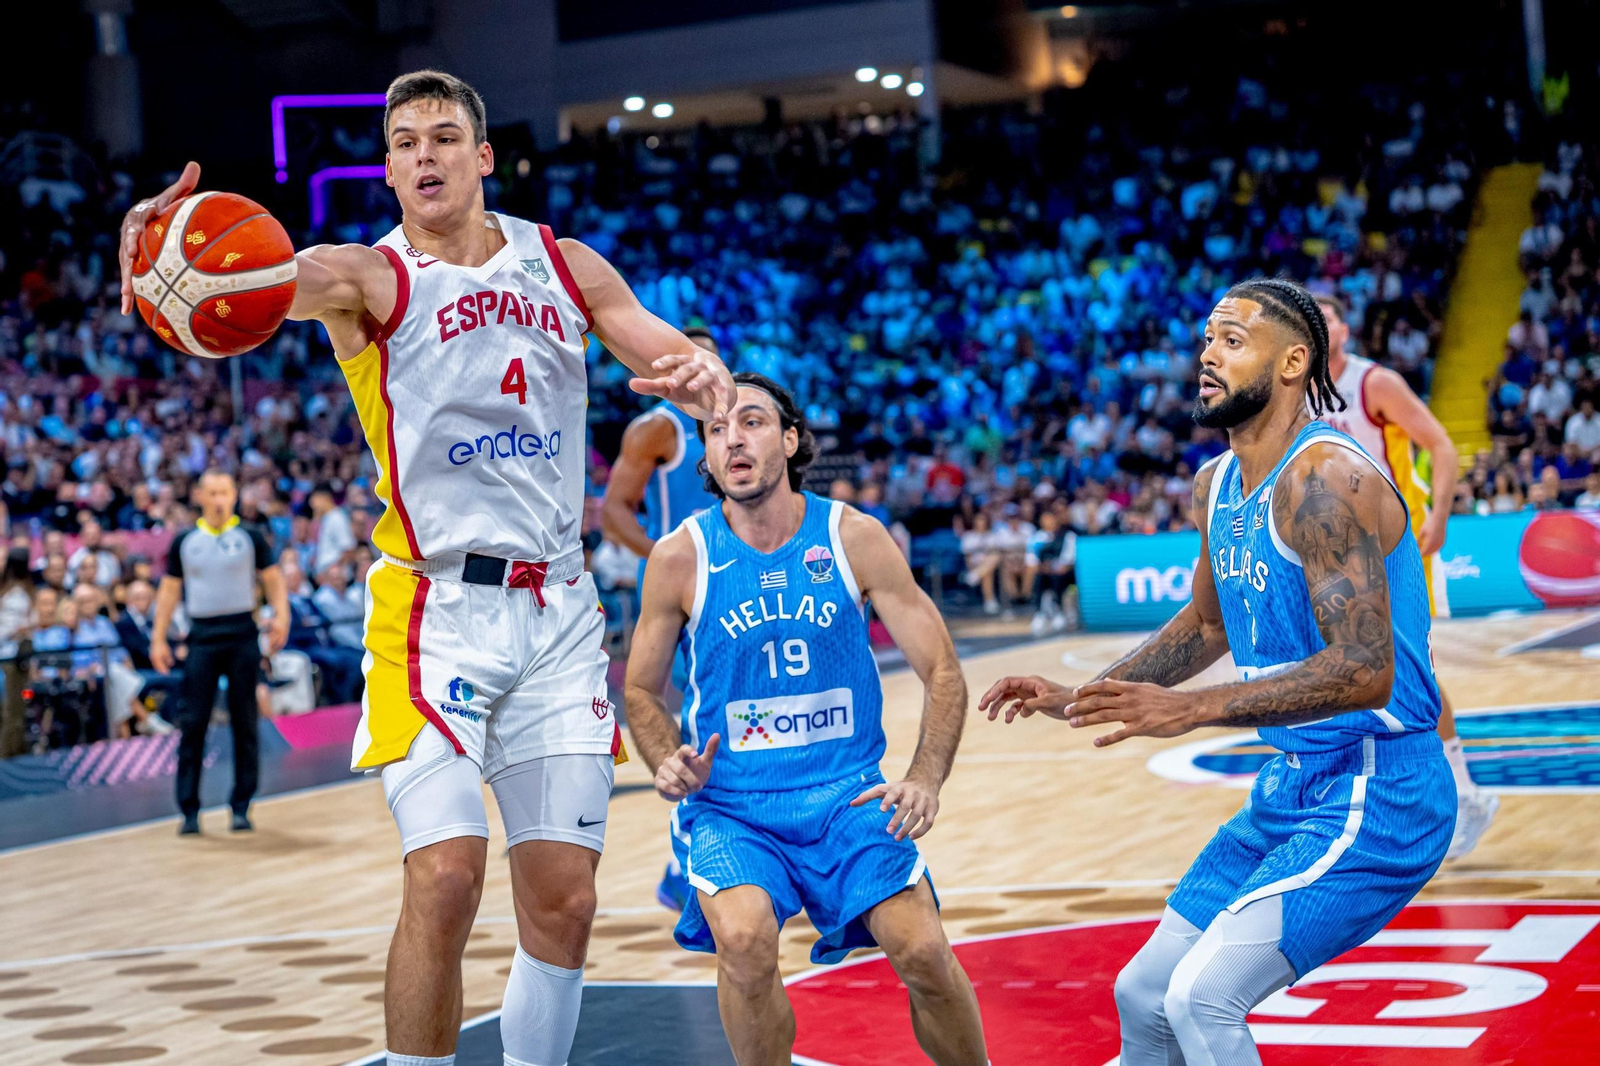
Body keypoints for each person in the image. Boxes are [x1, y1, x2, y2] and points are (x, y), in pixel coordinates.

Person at [119, 69, 733, 1066]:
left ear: (481, 155)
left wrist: (707, 381)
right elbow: (260, 281)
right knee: (445, 876)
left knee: (566, 902)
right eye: (404, 143)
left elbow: (669, 360)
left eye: (443, 137)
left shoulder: (565, 264)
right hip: (433, 611)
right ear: (389, 168)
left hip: (559, 610)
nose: (423, 156)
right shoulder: (366, 276)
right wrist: (159, 256)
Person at [981, 278, 1454, 1066]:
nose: (1207, 355)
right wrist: (1081, 695)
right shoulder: (1216, 485)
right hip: (1294, 784)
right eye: (1207, 339)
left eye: (1233, 341)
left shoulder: (1324, 481)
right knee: (1142, 994)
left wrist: (1194, 709)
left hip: (1382, 789)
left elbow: (1365, 670)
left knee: (1202, 999)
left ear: (1294, 362)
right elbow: (1207, 624)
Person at [626, 374, 987, 1066]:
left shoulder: (853, 537)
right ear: (706, 455)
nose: (733, 439)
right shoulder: (679, 556)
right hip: (733, 807)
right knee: (744, 942)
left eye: (752, 422)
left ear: (791, 441)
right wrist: (666, 756)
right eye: (716, 429)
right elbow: (640, 690)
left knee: (922, 950)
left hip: (848, 795)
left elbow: (942, 668)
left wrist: (924, 776)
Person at [1314, 293, 1495, 858]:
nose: (1319, 324)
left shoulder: (1375, 383)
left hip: (1396, 544)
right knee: (1346, 669)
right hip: (1337, 551)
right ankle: (1370, 797)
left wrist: (1439, 515)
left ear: (1346, 329)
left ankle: (1465, 793)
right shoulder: (1296, 392)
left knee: (1410, 669)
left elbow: (1441, 445)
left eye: (1328, 316)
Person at [599, 324, 723, 911]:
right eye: (691, 359)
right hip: (691, 593)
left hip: (741, 582)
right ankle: (685, 865)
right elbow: (614, 512)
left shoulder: (739, 419)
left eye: (710, 360)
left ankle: (717, 857)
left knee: (741, 718)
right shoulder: (658, 427)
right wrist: (664, 561)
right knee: (709, 720)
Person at [151, 470, 289, 835]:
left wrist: (281, 617)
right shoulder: (186, 541)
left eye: (224, 492)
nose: (218, 499)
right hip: (201, 636)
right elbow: (169, 590)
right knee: (193, 723)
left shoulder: (250, 536)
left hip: (242, 633)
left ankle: (241, 805)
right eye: (211, 492)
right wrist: (158, 638)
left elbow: (273, 578)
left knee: (245, 722)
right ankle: (189, 810)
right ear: (199, 496)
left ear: (233, 496)